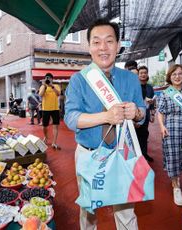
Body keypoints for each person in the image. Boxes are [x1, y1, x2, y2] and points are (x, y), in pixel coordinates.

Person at [64, 19, 145, 230]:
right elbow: (71, 119)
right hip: (88, 154)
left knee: (126, 211)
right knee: (89, 211)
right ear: (89, 47)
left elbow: (143, 113)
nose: (103, 47)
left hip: (123, 154)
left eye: (109, 41)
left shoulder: (131, 79)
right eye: (97, 42)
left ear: (118, 46)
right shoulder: (78, 80)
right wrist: (106, 117)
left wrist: (136, 113)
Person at [157, 64, 182, 206]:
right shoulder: (166, 93)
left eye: (180, 74)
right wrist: (162, 126)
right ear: (170, 76)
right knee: (173, 157)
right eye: (174, 74)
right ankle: (176, 186)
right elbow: (160, 112)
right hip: (171, 130)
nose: (177, 76)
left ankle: (177, 179)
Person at [134, 66, 155, 162]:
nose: (143, 74)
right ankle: (136, 157)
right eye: (141, 73)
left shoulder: (150, 87)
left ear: (147, 74)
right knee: (136, 137)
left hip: (146, 116)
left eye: (145, 73)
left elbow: (152, 101)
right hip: (136, 116)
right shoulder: (135, 86)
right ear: (138, 75)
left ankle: (144, 154)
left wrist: (152, 113)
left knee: (145, 135)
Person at [39, 73, 61, 149]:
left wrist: (52, 86)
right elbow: (40, 94)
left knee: (55, 126)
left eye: (49, 78)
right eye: (47, 78)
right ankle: (45, 136)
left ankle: (54, 142)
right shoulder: (43, 86)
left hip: (55, 109)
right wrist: (45, 86)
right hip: (46, 109)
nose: (48, 80)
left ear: (52, 79)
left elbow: (58, 94)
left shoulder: (56, 86)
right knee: (45, 126)